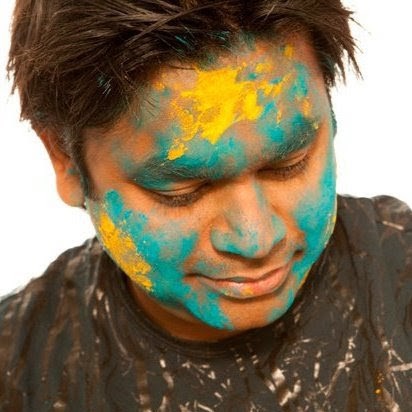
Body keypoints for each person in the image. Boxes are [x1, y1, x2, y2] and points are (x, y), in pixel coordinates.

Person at [1, 0, 411, 410]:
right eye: (182, 190)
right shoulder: (15, 375)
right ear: (66, 160)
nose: (256, 240)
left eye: (288, 164)